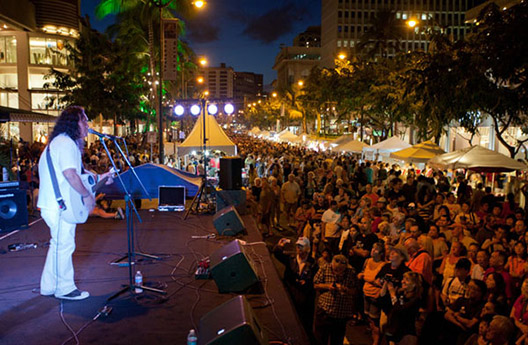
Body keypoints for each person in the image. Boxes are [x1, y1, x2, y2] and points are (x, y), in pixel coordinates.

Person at [38, 106, 114, 301]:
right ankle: (64, 288)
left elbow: (78, 175)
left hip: (53, 203)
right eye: (84, 120)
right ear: (74, 122)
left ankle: (48, 286)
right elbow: (70, 175)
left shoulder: (59, 142)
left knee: (58, 244)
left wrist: (102, 177)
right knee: (64, 245)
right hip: (59, 205)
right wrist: (87, 196)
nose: (87, 125)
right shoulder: (65, 143)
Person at [313, 254, 358, 345]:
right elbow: (315, 284)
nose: (337, 273)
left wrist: (345, 289)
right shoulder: (325, 268)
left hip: (340, 314)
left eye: (340, 270)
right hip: (324, 311)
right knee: (320, 339)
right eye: (335, 270)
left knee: (337, 340)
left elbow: (355, 291)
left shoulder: (351, 273)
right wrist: (327, 286)